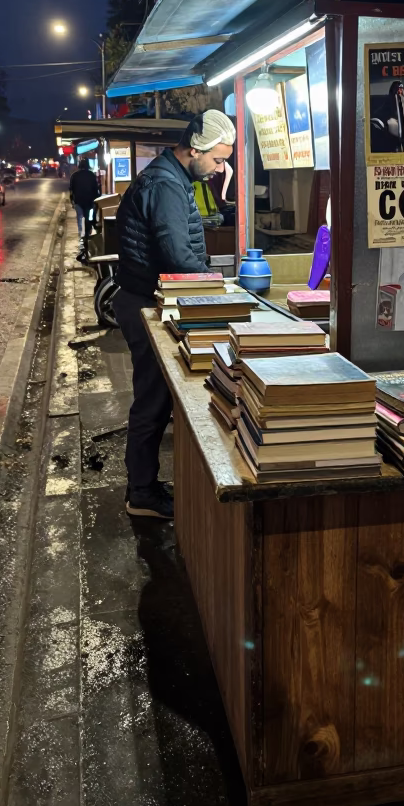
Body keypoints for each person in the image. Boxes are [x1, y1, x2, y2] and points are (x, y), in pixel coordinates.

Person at [115, 110, 236, 519]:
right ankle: (141, 494)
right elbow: (176, 254)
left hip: (145, 298)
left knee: (157, 397)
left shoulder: (172, 176)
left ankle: (143, 484)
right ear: (194, 149)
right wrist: (216, 285)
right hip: (146, 303)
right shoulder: (166, 183)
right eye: (218, 160)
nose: (220, 169)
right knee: (152, 400)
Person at [69, 156, 100, 241]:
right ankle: (88, 231)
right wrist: (96, 199)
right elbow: (96, 188)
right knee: (88, 216)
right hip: (90, 200)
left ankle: (80, 233)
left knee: (79, 216)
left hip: (78, 200)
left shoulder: (74, 175)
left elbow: (71, 189)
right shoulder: (91, 175)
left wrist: (72, 200)